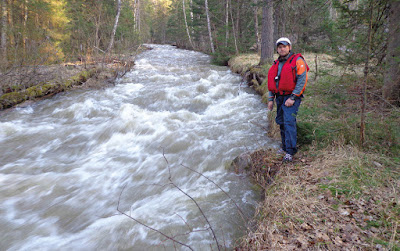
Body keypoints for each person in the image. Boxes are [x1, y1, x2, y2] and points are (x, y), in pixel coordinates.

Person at [267, 37, 309, 162]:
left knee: (289, 121)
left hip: (291, 97)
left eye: (284, 46)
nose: (282, 49)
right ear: (277, 49)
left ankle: (290, 151)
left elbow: (302, 80)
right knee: (281, 121)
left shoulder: (298, 60)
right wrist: (270, 99)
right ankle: (285, 147)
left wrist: (293, 97)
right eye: (280, 47)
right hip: (279, 97)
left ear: (289, 47)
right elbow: (272, 83)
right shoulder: (276, 63)